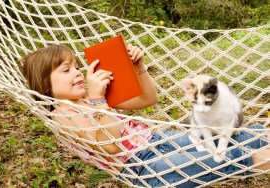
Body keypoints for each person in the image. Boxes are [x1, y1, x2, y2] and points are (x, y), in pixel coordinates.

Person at [21, 44, 270, 187]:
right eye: (66, 70)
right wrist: (97, 100)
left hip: (159, 141)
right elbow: (111, 146)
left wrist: (139, 69)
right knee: (228, 156)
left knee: (238, 136)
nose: (77, 73)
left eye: (76, 67)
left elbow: (147, 100)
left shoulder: (92, 97)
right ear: (44, 86)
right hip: (146, 169)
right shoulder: (62, 114)